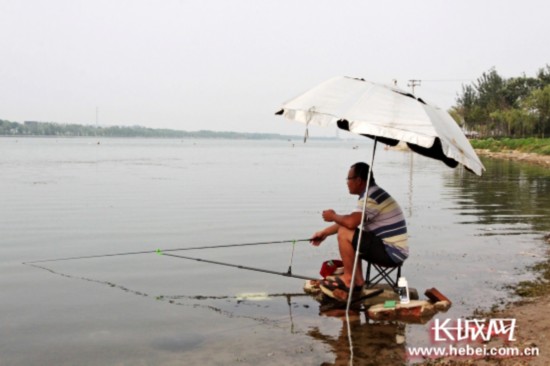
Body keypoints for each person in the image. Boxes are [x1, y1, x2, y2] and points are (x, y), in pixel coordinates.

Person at [310, 162, 408, 298]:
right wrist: (324, 233)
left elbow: (349, 223)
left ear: (359, 180)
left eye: (348, 179)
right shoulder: (372, 194)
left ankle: (349, 279)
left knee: (345, 233)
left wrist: (333, 216)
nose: (346, 183)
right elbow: (350, 221)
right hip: (392, 250)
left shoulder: (371, 197)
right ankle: (358, 281)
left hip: (391, 253)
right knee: (348, 230)